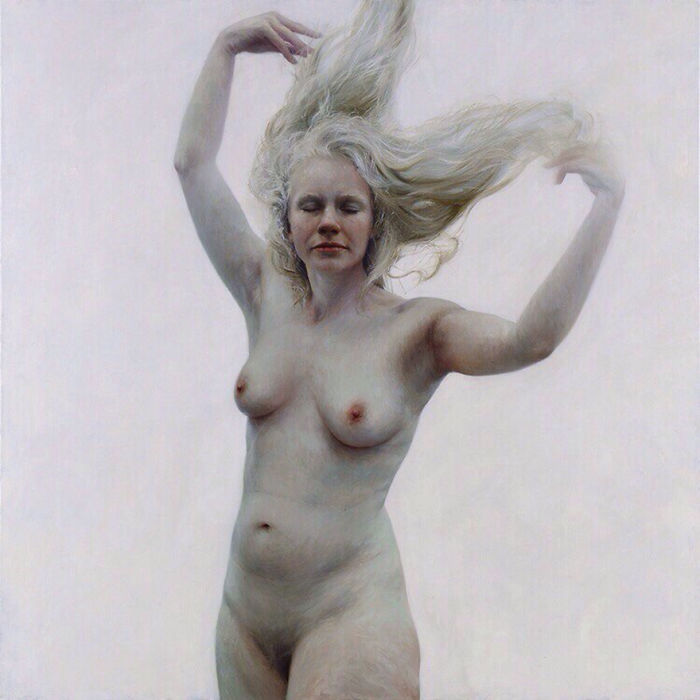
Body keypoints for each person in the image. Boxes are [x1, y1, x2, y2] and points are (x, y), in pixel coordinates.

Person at [174, 2, 624, 697]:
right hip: (244, 619)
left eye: (347, 207)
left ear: (375, 221)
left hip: (348, 614)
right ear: (287, 220)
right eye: (310, 206)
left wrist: (605, 207)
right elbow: (194, 165)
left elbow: (529, 340)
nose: (328, 222)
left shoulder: (418, 330)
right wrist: (227, 46)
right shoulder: (264, 293)